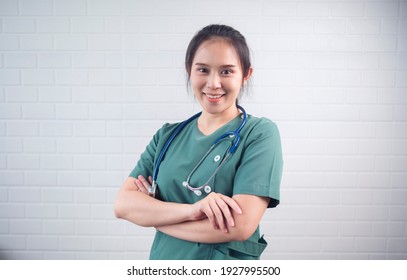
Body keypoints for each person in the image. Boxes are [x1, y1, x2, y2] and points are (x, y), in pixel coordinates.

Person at [114, 24, 283, 260]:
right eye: (203, 69)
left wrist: (158, 219)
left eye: (226, 71)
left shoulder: (259, 134)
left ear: (246, 75)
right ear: (189, 71)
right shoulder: (167, 136)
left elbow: (241, 225)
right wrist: (194, 210)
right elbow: (124, 205)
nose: (213, 83)